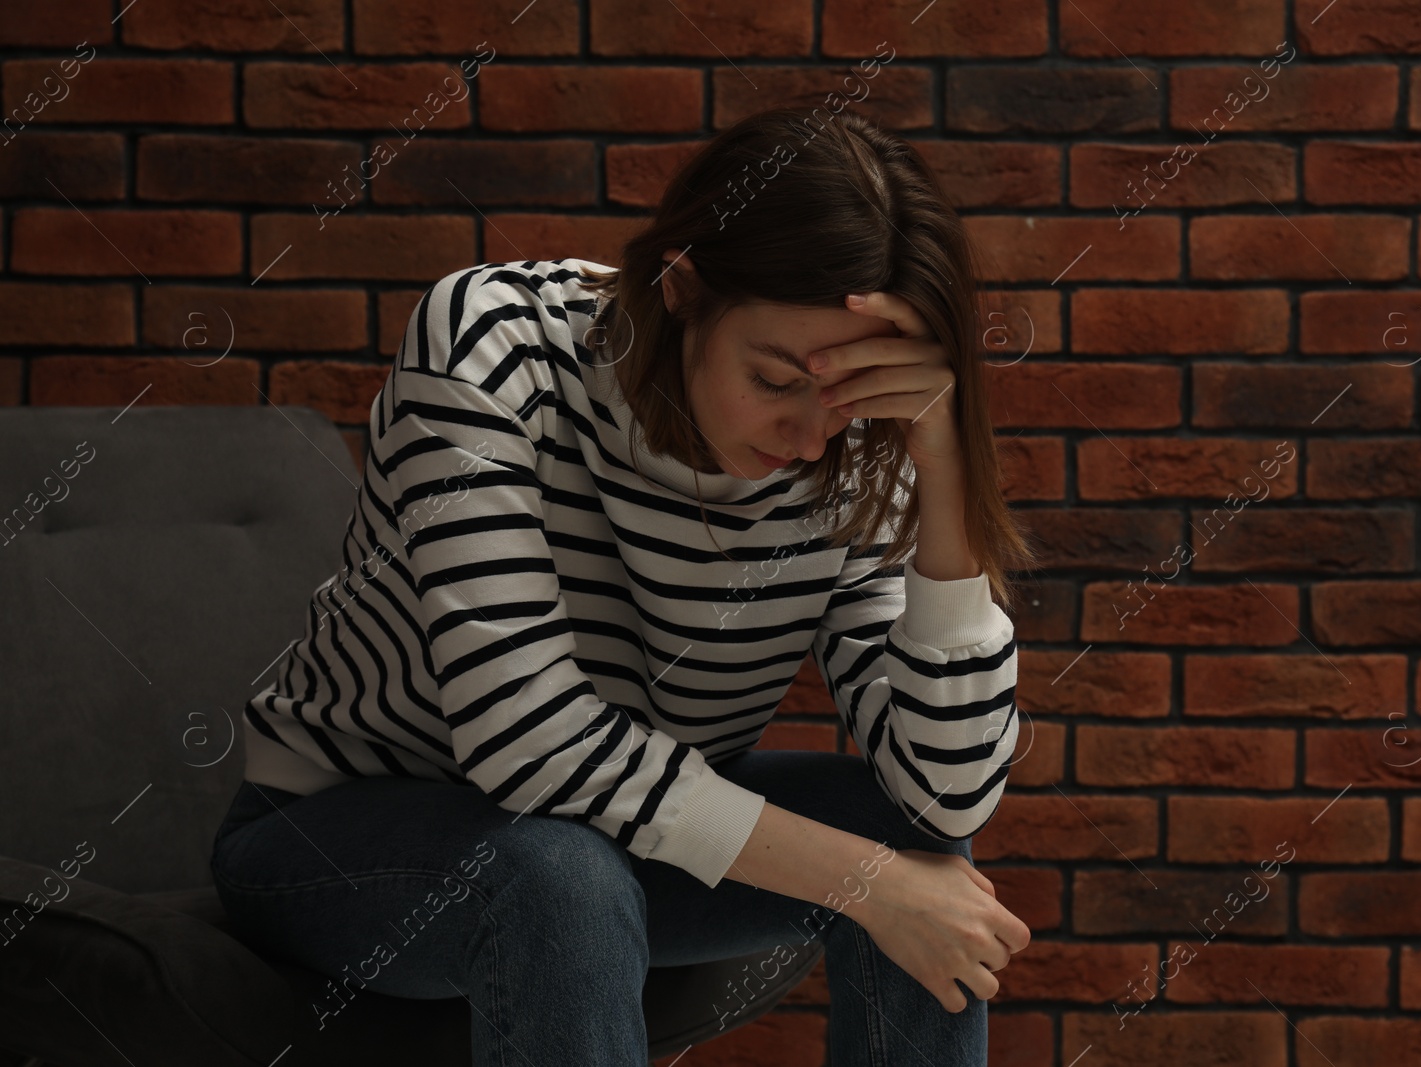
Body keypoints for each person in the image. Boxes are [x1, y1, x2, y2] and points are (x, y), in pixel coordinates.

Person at [209, 104, 1041, 1066]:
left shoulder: (858, 446)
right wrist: (865, 880)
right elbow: (526, 741)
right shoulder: (493, 344)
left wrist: (943, 477)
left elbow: (945, 797)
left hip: (623, 836)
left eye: (847, 399)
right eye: (774, 380)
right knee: (560, 871)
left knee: (915, 852)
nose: (811, 436)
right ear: (683, 289)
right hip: (338, 835)